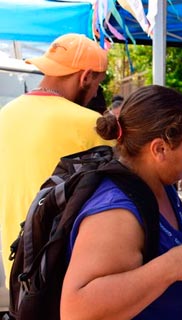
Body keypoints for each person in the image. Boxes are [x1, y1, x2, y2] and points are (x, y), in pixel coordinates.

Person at [61, 85, 182, 320]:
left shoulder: (155, 183)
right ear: (159, 149)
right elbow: (75, 316)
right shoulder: (117, 214)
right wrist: (171, 267)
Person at [0, 33, 112, 282]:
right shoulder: (92, 124)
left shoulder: (5, 115)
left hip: (17, 266)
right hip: (66, 274)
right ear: (85, 77)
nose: (95, 94)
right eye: (97, 85)